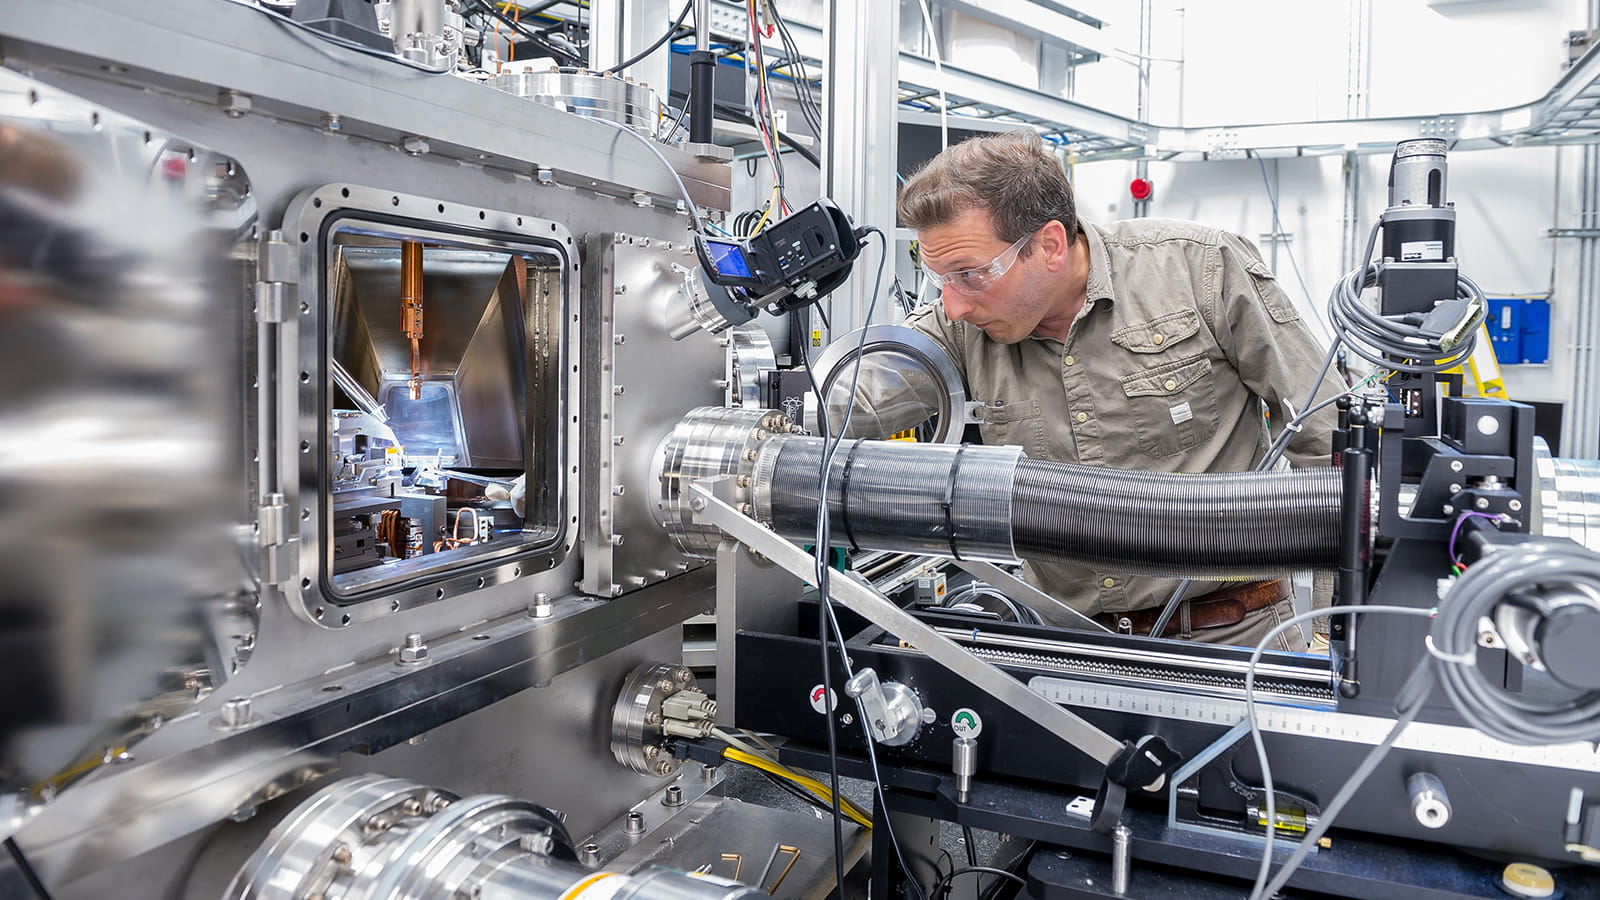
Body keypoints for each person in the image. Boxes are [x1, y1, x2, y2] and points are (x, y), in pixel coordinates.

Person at [882, 130, 1344, 652]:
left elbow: (1329, 441)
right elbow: (861, 396)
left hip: (1233, 638)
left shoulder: (1200, 270)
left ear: (1050, 245)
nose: (955, 304)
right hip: (1066, 644)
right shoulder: (959, 326)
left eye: (970, 274)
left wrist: (1336, 630)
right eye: (938, 275)